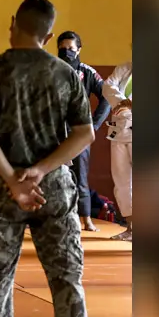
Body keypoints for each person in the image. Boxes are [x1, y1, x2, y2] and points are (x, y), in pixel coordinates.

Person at [0, 0, 93, 317]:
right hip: (52, 188)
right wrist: (40, 170)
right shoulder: (67, 74)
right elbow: (84, 134)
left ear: (13, 23)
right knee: (67, 282)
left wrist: (12, 179)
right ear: (49, 34)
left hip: (3, 191)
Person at [57, 30, 112, 231]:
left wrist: (94, 125)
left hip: (79, 133)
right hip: (53, 133)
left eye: (71, 49)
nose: (66, 53)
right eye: (62, 49)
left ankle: (86, 220)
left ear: (79, 50)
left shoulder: (86, 72)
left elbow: (106, 97)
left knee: (80, 176)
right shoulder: (50, 71)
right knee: (50, 176)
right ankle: (45, 219)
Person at [102, 60, 132, 241]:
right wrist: (124, 102)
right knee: (121, 181)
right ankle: (131, 227)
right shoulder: (124, 68)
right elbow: (108, 86)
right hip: (119, 130)